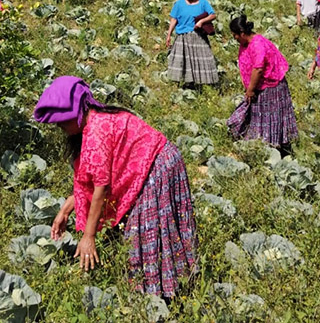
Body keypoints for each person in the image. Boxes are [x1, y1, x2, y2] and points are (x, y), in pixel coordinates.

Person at [34, 76, 197, 300]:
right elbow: (90, 181)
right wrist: (64, 210)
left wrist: (89, 237)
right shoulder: (92, 121)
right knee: (146, 230)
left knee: (146, 230)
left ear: (74, 113)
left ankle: (161, 292)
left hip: (157, 166)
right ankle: (166, 284)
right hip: (150, 164)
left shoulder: (97, 131)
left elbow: (101, 188)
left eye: (61, 122)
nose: (61, 128)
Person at [227, 15, 299, 156]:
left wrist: (250, 90)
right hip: (259, 87)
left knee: (271, 118)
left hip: (271, 87)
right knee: (259, 117)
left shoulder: (257, 44)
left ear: (242, 34)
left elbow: (258, 69)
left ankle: (275, 147)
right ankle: (264, 146)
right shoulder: (246, 43)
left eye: (235, 35)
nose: (234, 38)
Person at [165, 0, 219, 87]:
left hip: (198, 36)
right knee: (182, 61)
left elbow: (213, 15)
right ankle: (184, 84)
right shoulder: (179, 3)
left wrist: (202, 21)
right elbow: (174, 19)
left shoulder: (203, 2)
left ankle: (203, 84)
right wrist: (169, 34)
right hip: (182, 37)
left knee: (202, 60)